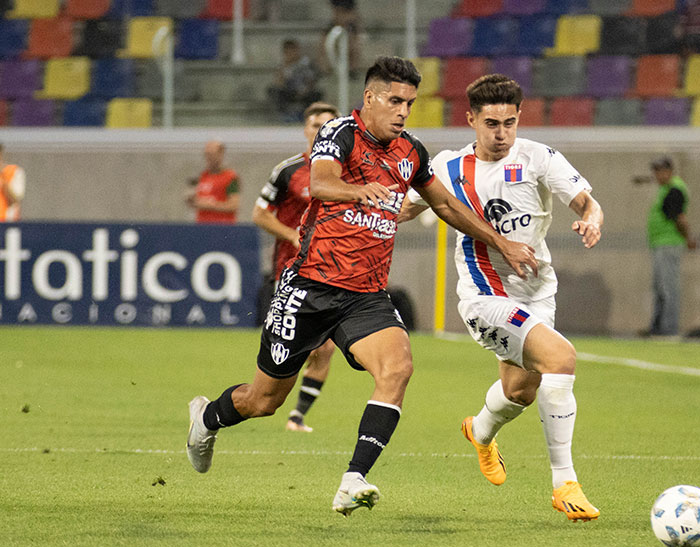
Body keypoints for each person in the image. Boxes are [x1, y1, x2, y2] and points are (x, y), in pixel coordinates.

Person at [185, 57, 537, 518]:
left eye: (409, 103)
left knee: (398, 368)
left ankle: (354, 480)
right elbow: (320, 182)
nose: (402, 111)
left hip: (365, 295)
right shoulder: (339, 133)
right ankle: (206, 419)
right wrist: (360, 189)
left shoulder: (412, 151)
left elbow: (445, 205)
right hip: (308, 287)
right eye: (394, 101)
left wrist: (500, 242)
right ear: (369, 98)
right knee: (264, 400)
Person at [402, 74, 605, 521]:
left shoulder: (539, 157)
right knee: (561, 360)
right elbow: (402, 209)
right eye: (491, 123)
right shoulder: (448, 169)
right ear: (470, 118)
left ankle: (480, 430)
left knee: (521, 390)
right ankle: (564, 483)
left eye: (509, 123)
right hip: (483, 296)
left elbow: (588, 203)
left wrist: (592, 219)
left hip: (537, 293)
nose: (501, 134)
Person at [253, 101, 343, 432]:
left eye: (329, 124)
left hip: (334, 271)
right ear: (305, 130)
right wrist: (292, 234)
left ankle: (297, 415)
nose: (322, 130)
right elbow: (259, 214)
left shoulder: (346, 172)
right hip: (292, 270)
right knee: (296, 347)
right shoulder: (288, 170)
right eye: (316, 124)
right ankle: (260, 397)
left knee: (326, 348)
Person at [645, 156, 697, 337]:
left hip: (669, 245)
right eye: (655, 171)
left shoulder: (674, 190)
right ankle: (658, 328)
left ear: (669, 171)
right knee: (660, 288)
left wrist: (689, 238)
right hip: (661, 244)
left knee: (668, 289)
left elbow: (680, 219)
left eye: (660, 171)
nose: (657, 175)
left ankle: (668, 329)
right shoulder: (666, 189)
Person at [185, 140, 240, 224]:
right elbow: (195, 200)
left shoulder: (230, 177)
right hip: (202, 226)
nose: (209, 158)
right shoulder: (202, 176)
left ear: (221, 154)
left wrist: (210, 205)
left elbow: (233, 205)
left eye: (211, 154)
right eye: (206, 154)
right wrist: (191, 200)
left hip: (222, 227)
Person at [268, 39, 322, 122]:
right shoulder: (283, 66)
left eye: (292, 51)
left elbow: (311, 80)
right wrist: (285, 67)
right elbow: (279, 82)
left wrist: (304, 90)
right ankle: (284, 116)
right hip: (290, 91)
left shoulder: (305, 63)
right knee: (274, 92)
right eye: (287, 52)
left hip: (305, 92)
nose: (290, 54)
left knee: (316, 95)